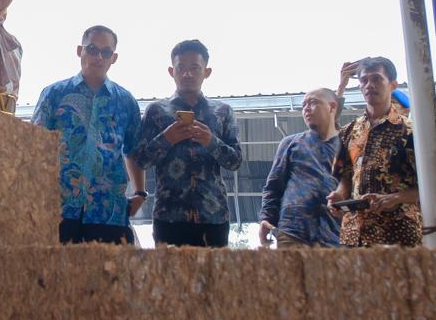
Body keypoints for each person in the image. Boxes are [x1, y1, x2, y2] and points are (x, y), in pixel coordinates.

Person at [31, 26, 145, 244]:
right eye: (92, 49)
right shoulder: (53, 94)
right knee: (54, 275)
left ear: (114, 58)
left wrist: (140, 192)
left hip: (108, 210)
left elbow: (134, 150)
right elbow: (36, 147)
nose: (98, 57)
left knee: (109, 276)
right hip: (58, 208)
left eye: (106, 52)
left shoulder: (126, 101)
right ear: (79, 51)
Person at [134, 40, 242, 247]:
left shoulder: (223, 111)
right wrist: (166, 139)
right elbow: (141, 160)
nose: (187, 74)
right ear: (171, 71)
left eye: (195, 68)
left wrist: (211, 142)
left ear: (207, 72)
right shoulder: (156, 111)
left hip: (214, 215)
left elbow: (236, 161)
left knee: (214, 279)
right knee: (169, 278)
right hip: (169, 216)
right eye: (181, 67)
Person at [327, 57, 422, 246]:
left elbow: (430, 186)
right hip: (354, 236)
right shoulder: (348, 131)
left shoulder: (411, 131)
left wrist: (394, 198)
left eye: (377, 79)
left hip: (399, 235)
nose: (369, 84)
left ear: (393, 85)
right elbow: (345, 175)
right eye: (364, 80)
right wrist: (338, 195)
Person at [258, 89, 342, 248]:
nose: (306, 108)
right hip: (293, 233)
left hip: (335, 235)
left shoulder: (349, 145)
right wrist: (266, 218)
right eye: (303, 105)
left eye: (313, 102)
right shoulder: (291, 143)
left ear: (332, 107)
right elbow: (273, 186)